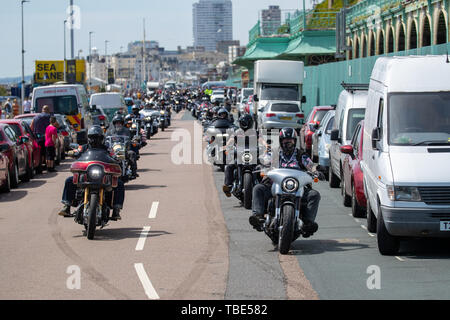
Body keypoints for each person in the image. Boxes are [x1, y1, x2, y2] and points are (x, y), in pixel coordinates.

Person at [249, 127, 325, 238]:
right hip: (274, 185)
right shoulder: (274, 153)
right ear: (280, 141)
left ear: (295, 141)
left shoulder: (301, 155)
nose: (287, 143)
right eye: (285, 140)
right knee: (258, 188)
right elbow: (265, 159)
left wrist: (317, 171)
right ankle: (258, 216)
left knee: (314, 195)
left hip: (298, 187)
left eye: (290, 140)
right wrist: (260, 164)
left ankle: (308, 223)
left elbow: (310, 165)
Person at [59, 126, 125, 220]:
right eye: (92, 137)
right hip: (86, 175)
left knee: (119, 184)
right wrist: (73, 153)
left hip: (102, 176)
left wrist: (117, 157)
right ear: (88, 138)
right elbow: (77, 151)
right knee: (69, 180)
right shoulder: (84, 147)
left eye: (98, 137)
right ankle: (67, 206)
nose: (95, 140)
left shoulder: (107, 149)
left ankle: (116, 209)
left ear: (102, 138)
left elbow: (113, 155)